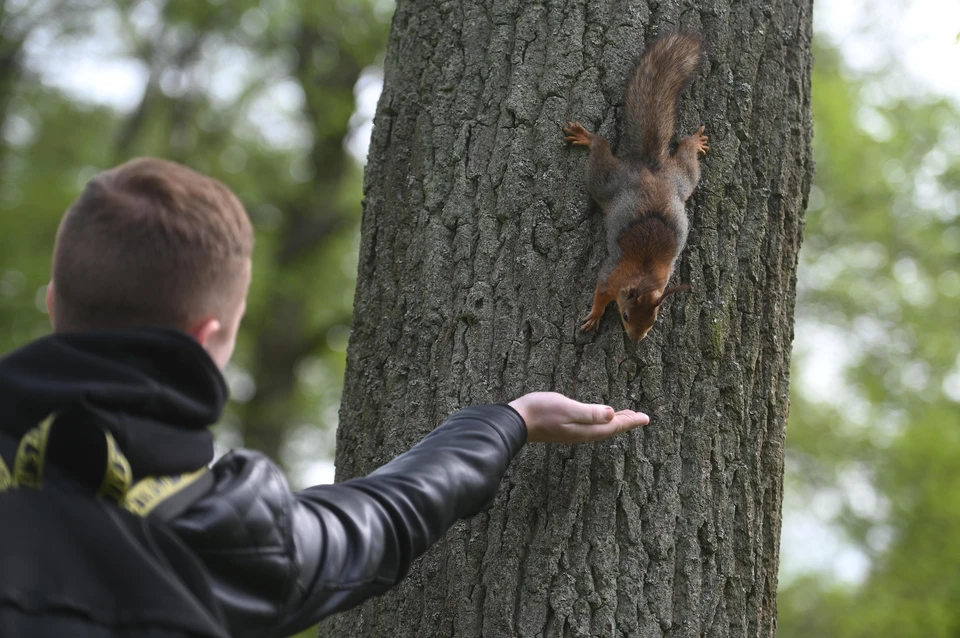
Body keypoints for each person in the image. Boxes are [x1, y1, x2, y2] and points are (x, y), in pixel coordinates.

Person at [0, 158, 649, 638]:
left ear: (55, 302)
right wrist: (511, 421)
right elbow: (385, 516)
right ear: (210, 335)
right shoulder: (221, 536)